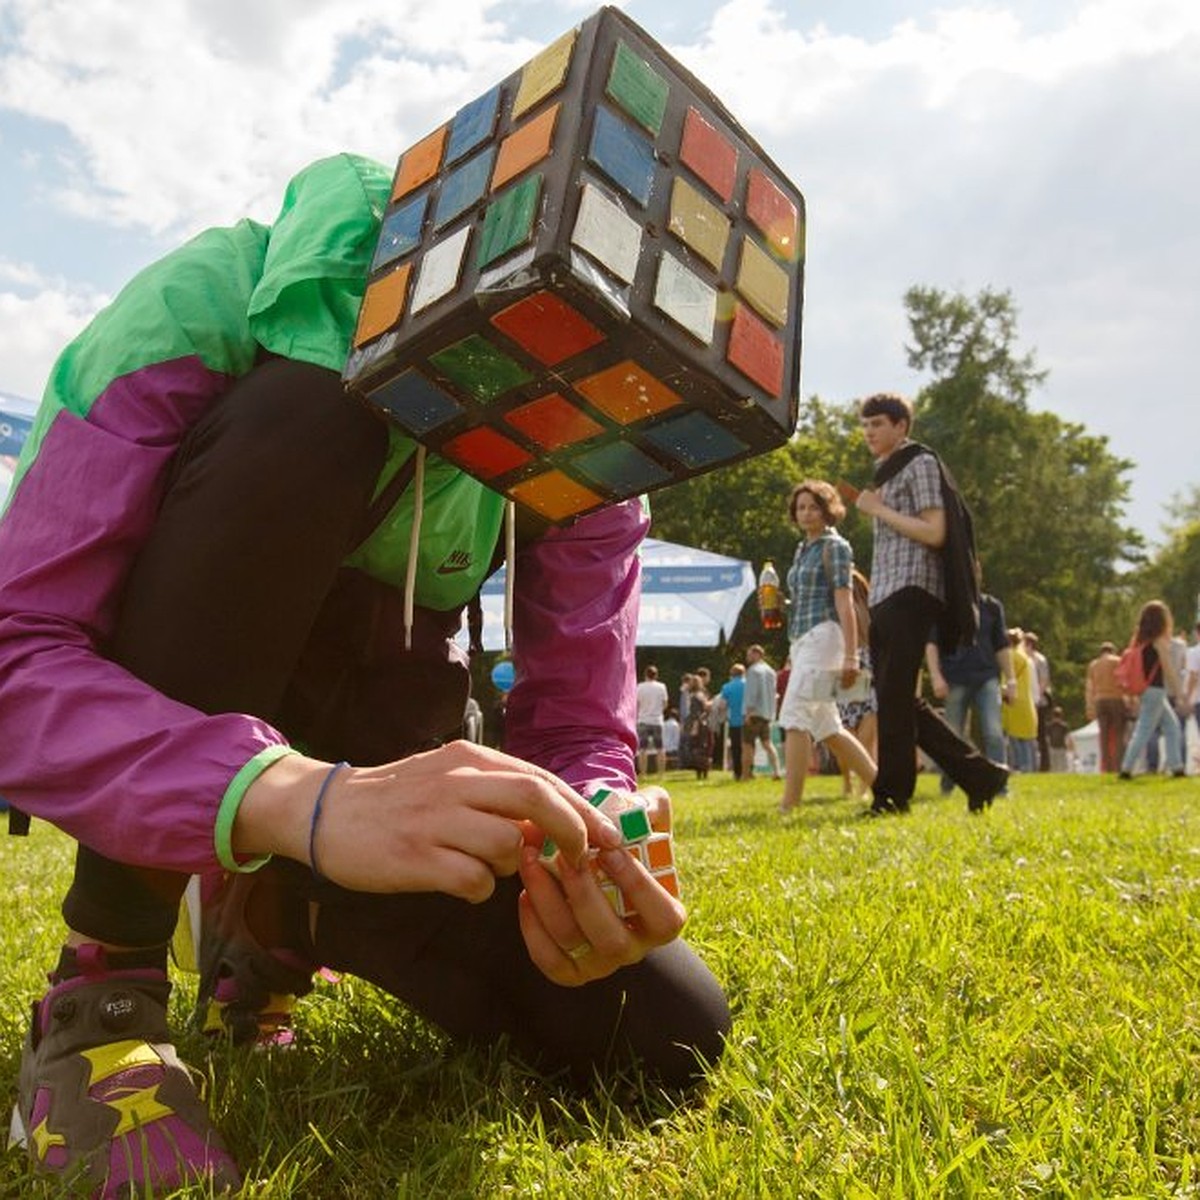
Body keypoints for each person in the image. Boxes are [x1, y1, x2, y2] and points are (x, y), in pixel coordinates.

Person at [0, 155, 731, 1196]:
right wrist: (298, 797)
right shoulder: (191, 306)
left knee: (663, 1032)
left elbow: (579, 719)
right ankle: (103, 987)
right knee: (313, 416)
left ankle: (274, 924)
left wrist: (599, 829)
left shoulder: (584, 410)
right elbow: (15, 659)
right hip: (220, 724)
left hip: (377, 760)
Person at [852, 392, 1009, 815]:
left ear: (901, 426)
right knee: (896, 697)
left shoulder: (918, 462)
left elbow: (935, 531)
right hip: (886, 592)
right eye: (865, 425)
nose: (869, 432)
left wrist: (878, 511)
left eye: (878, 424)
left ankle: (892, 795)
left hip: (913, 590)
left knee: (894, 696)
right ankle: (981, 775)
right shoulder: (883, 472)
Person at [776, 480, 876, 813]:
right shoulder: (803, 548)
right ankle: (882, 785)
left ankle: (789, 806)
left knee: (793, 717)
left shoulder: (836, 547)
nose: (806, 513)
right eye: (801, 507)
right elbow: (804, 598)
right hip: (802, 639)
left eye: (813, 507)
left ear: (827, 510)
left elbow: (845, 604)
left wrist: (851, 655)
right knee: (828, 727)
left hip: (826, 636)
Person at [924, 568, 1015, 798]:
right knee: (952, 736)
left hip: (987, 677)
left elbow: (1002, 645)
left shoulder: (992, 606)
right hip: (955, 677)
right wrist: (935, 676)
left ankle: (999, 785)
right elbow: (932, 643)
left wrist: (1011, 679)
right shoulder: (943, 606)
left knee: (993, 732)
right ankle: (948, 784)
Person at [1118, 600, 1186, 779]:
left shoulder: (1140, 642)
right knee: (1144, 730)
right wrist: (1179, 693)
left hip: (1147, 690)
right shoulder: (1159, 642)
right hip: (1156, 690)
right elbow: (1168, 668)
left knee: (1172, 726)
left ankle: (1176, 766)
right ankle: (1126, 768)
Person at [1085, 641, 1128, 773]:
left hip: (1100, 700)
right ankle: (1118, 765)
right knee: (1119, 734)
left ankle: (1106, 767)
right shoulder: (1118, 661)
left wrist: (1089, 706)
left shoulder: (1093, 665)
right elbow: (1123, 681)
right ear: (1113, 651)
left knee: (1103, 735)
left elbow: (1089, 687)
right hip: (1116, 699)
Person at [741, 644, 782, 781]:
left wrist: (748, 713)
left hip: (754, 713)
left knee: (747, 744)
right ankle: (776, 771)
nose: (747, 657)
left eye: (749, 654)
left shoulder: (753, 671)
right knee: (767, 743)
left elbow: (752, 694)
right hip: (767, 713)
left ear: (757, 654)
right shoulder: (771, 671)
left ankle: (746, 774)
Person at [1002, 628, 1039, 773]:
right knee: (1027, 738)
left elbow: (1005, 679)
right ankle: (1029, 767)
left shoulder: (1009, 656)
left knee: (1015, 738)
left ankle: (1020, 766)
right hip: (1026, 699)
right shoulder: (1026, 658)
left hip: (1013, 699)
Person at [1024, 631, 1053, 771]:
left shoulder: (1039, 660)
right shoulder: (1025, 659)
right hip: (1028, 700)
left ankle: (1045, 765)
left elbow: (1043, 680)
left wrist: (1037, 697)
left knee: (1041, 733)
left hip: (1039, 702)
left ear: (1029, 644)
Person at [635, 665, 670, 779]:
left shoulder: (639, 687)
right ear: (656, 675)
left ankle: (643, 774)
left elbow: (637, 704)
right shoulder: (661, 687)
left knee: (642, 749)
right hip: (657, 720)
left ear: (645, 674)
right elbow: (665, 703)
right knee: (660, 748)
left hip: (643, 719)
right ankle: (661, 774)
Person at [718, 664, 746, 778]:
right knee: (748, 746)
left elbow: (722, 705)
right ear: (743, 673)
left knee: (736, 747)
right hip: (747, 720)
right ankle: (748, 771)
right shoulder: (748, 685)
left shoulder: (726, 687)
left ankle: (737, 772)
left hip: (734, 721)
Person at [683, 675, 713, 780]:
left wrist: (694, 726)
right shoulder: (701, 695)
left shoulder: (694, 696)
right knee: (703, 748)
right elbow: (706, 709)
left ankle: (700, 772)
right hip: (703, 723)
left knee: (697, 748)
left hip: (697, 724)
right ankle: (704, 772)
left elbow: (695, 713)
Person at [1046, 705, 1073, 771]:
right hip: (1053, 748)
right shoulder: (1050, 726)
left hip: (1062, 748)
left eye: (1058, 715)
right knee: (1054, 766)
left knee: (1062, 766)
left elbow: (1067, 737)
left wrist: (1069, 746)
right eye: (1055, 715)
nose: (1056, 718)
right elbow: (1047, 737)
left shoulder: (1064, 726)